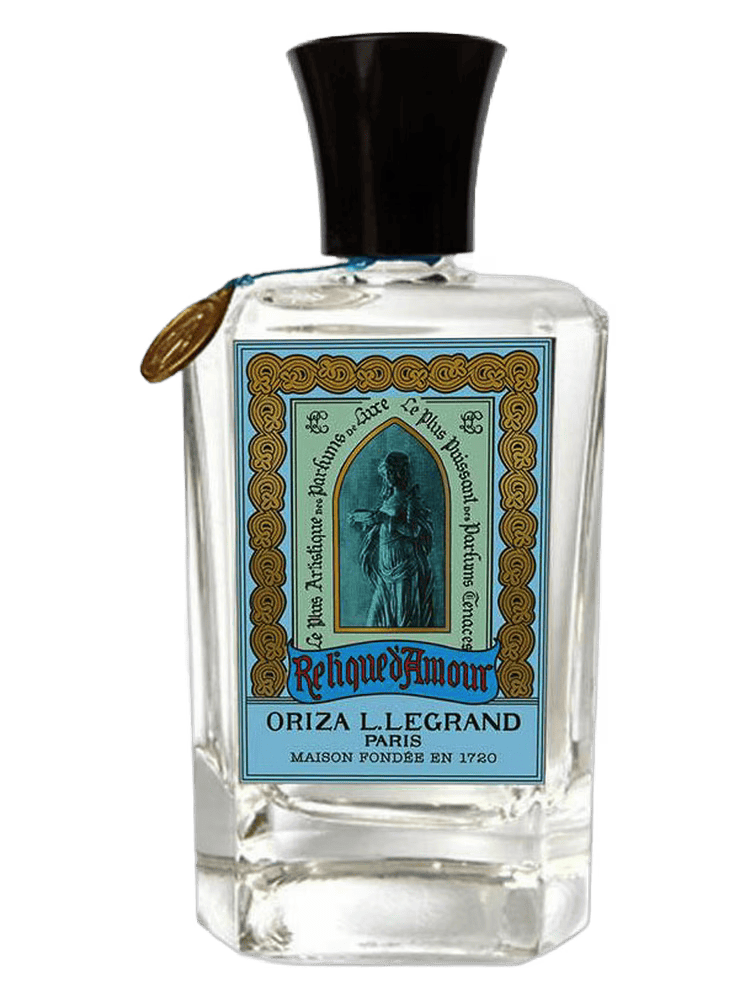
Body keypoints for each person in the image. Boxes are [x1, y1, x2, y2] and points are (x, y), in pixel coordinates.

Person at [348, 451, 435, 627]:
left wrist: (386, 520)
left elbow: (414, 531)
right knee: (374, 621)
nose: (386, 477)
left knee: (404, 621)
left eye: (389, 473)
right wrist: (362, 518)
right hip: (385, 570)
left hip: (404, 569)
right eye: (385, 473)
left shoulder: (410, 499)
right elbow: (379, 519)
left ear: (399, 473)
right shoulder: (388, 499)